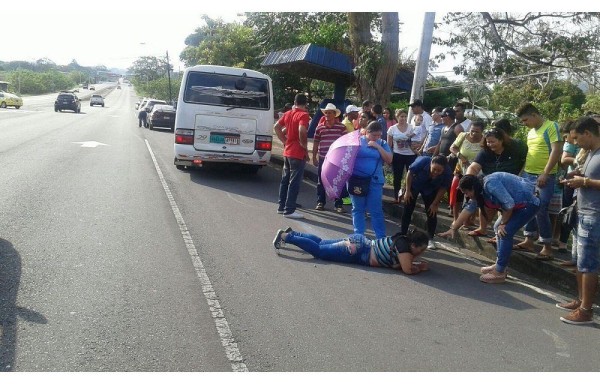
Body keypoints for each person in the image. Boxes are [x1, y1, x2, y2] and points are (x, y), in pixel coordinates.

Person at [438, 173, 540, 283]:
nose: (466, 196)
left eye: (466, 192)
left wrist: (504, 223)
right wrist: (453, 228)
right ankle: (500, 265)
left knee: (505, 232)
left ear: (472, 188)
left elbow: (509, 203)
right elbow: (468, 209)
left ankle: (499, 272)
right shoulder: (479, 190)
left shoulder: (490, 184)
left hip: (528, 204)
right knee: (497, 228)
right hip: (518, 205)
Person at [556, 116, 600, 325]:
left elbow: (592, 181)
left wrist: (585, 181)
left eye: (576, 138)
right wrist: (577, 177)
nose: (574, 143)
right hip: (583, 212)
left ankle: (586, 311)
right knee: (580, 262)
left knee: (588, 264)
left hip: (595, 215)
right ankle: (581, 300)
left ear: (588, 134)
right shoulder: (591, 153)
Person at [514, 102, 563, 260]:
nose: (524, 124)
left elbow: (557, 150)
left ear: (534, 115)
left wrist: (545, 173)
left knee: (541, 208)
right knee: (528, 206)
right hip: (528, 174)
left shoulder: (551, 126)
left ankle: (547, 246)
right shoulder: (531, 132)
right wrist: (522, 173)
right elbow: (531, 154)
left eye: (525, 120)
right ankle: (529, 240)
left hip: (544, 176)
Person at [272, 227, 431, 275]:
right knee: (320, 251)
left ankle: (293, 234)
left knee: (321, 242)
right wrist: (419, 267)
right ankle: (286, 237)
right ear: (414, 245)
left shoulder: (403, 241)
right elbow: (407, 269)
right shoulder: (404, 248)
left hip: (360, 244)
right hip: (357, 251)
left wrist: (415, 263)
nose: (421, 253)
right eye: (421, 249)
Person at [465, 127, 528, 237]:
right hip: (490, 184)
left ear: (501, 140)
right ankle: (482, 228)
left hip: (510, 184)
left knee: (506, 206)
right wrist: (469, 180)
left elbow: (526, 162)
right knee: (483, 204)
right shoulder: (485, 152)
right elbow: (474, 167)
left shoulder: (516, 147)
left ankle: (499, 233)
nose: (490, 144)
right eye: (488, 142)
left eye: (493, 141)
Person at [348, 121, 393, 239]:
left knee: (376, 210)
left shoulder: (382, 143)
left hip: (375, 181)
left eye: (379, 135)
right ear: (367, 132)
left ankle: (380, 237)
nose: (377, 138)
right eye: (374, 135)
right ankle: (358, 236)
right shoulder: (357, 141)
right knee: (358, 208)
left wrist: (377, 146)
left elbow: (389, 159)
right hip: (357, 180)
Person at [400, 155, 453, 250]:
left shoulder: (448, 172)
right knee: (408, 208)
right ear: (430, 164)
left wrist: (435, 203)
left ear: (444, 169)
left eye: (439, 170)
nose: (436, 172)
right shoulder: (422, 161)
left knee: (432, 212)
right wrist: (407, 191)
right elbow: (410, 173)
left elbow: (443, 188)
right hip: (415, 185)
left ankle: (430, 238)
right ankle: (403, 235)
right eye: (434, 169)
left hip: (431, 189)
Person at [273, 93, 310, 219]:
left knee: (285, 180)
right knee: (294, 182)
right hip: (297, 153)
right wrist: (304, 146)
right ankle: (289, 210)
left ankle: (281, 206)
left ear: (294, 102)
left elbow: (277, 127)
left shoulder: (288, 113)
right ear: (305, 103)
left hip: (287, 151)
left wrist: (284, 141)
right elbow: (301, 130)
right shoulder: (304, 115)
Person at [312, 103, 348, 213]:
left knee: (337, 181)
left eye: (330, 113)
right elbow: (316, 142)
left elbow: (345, 143)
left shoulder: (342, 128)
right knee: (321, 181)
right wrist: (314, 157)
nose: (327, 114)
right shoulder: (320, 127)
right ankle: (320, 202)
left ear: (334, 114)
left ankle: (338, 204)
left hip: (337, 160)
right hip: (323, 158)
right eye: (326, 112)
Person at [448, 120, 484, 221]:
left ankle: (469, 220)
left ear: (482, 132)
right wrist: (460, 156)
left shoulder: (484, 140)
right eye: (472, 131)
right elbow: (452, 148)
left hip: (475, 174)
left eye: (476, 132)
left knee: (472, 196)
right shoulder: (463, 136)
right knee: (458, 195)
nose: (473, 133)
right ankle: (456, 219)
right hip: (460, 170)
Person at [557, 120, 578, 256]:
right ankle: (562, 243)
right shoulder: (570, 143)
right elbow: (564, 159)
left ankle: (576, 254)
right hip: (571, 179)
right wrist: (581, 160)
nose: (566, 139)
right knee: (567, 210)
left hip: (584, 181)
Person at [387, 109, 417, 202]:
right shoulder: (392, 129)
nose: (403, 118)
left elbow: (417, 141)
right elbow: (389, 145)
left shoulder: (412, 127)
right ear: (397, 117)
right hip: (398, 155)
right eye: (401, 116)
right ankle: (397, 197)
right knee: (397, 177)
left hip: (411, 155)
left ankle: (409, 197)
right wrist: (389, 157)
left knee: (411, 176)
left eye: (405, 116)